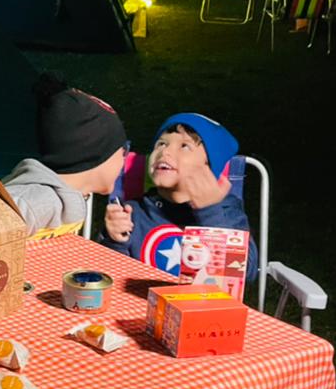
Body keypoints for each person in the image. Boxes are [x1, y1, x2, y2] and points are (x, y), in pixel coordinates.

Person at [100, 111, 258, 282]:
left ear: (210, 167)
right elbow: (109, 274)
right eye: (161, 144)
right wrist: (115, 240)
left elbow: (245, 273)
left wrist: (210, 212)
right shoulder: (134, 212)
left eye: (184, 146)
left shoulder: (226, 213)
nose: (165, 152)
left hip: (202, 306)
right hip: (141, 304)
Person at [2, 75, 128, 237]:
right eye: (122, 152)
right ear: (96, 156)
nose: (124, 159)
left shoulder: (69, 197)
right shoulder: (40, 201)